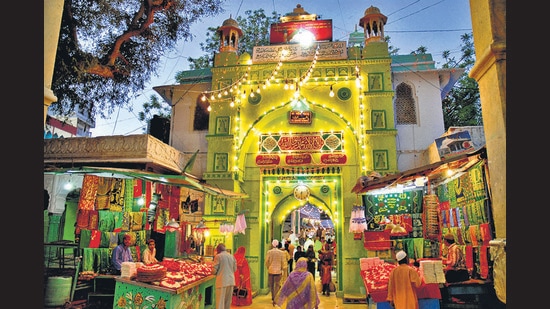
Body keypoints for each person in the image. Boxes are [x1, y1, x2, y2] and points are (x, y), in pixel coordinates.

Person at [212, 243, 237, 309]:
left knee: (220, 301)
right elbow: (235, 269)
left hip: (222, 281)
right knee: (228, 302)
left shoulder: (218, 256)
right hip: (231, 281)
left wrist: (212, 272)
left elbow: (214, 271)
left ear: (218, 250)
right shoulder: (232, 256)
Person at [265, 239, 287, 305]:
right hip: (278, 271)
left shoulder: (269, 252)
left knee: (271, 285)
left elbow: (266, 261)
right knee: (277, 285)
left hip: (271, 271)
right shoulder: (281, 253)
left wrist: (268, 267)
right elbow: (283, 262)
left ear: (272, 244)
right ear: (278, 244)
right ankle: (276, 298)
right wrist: (283, 269)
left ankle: (272, 297)